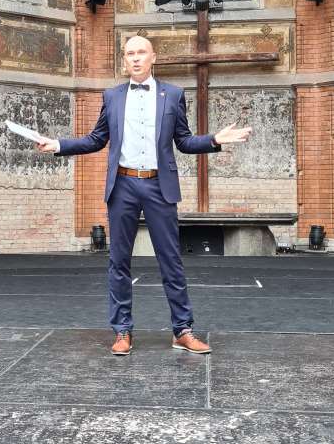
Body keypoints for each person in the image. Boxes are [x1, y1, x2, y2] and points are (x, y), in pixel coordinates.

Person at [37, 36, 252, 355]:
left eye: (141, 52)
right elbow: (97, 139)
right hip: (122, 185)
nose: (135, 58)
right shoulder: (112, 96)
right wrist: (58, 145)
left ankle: (183, 330)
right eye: (130, 54)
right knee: (118, 261)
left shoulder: (173, 94)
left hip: (158, 185)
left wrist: (214, 140)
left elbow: (184, 141)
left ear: (153, 57)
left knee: (171, 260)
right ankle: (122, 331)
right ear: (124, 60)